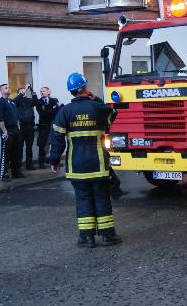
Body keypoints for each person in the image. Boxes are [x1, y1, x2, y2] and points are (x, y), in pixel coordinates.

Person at [50, 73, 121, 248]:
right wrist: (95, 98)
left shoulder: (65, 111)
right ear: (84, 88)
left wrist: (54, 160)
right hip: (98, 164)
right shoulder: (97, 108)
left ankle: (87, 237)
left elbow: (56, 138)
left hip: (77, 166)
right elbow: (113, 113)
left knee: (83, 200)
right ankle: (107, 236)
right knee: (101, 198)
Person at [0, 83, 26, 181]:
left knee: (15, 153)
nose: (8, 89)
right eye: (6, 88)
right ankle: (4, 175)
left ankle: (16, 172)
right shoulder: (0, 103)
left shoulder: (11, 102)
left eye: (8, 87)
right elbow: (0, 120)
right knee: (6, 153)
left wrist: (26, 88)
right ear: (1, 91)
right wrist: (5, 132)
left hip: (15, 131)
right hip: (7, 132)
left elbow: (19, 97)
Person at [35, 86, 61, 169]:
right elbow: (43, 113)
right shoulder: (39, 102)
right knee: (42, 145)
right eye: (41, 91)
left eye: (43, 91)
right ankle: (41, 163)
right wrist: (52, 109)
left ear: (48, 92)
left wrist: (51, 110)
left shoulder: (53, 100)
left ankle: (55, 162)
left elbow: (58, 110)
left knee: (54, 144)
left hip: (52, 126)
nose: (42, 92)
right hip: (43, 126)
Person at [16, 85, 38, 170]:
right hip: (20, 128)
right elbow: (16, 100)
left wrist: (31, 89)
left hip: (30, 127)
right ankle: (18, 166)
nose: (23, 93)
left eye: (24, 92)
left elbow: (35, 101)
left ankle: (29, 165)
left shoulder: (29, 101)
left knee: (29, 147)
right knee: (19, 147)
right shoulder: (16, 101)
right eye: (21, 92)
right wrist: (24, 90)